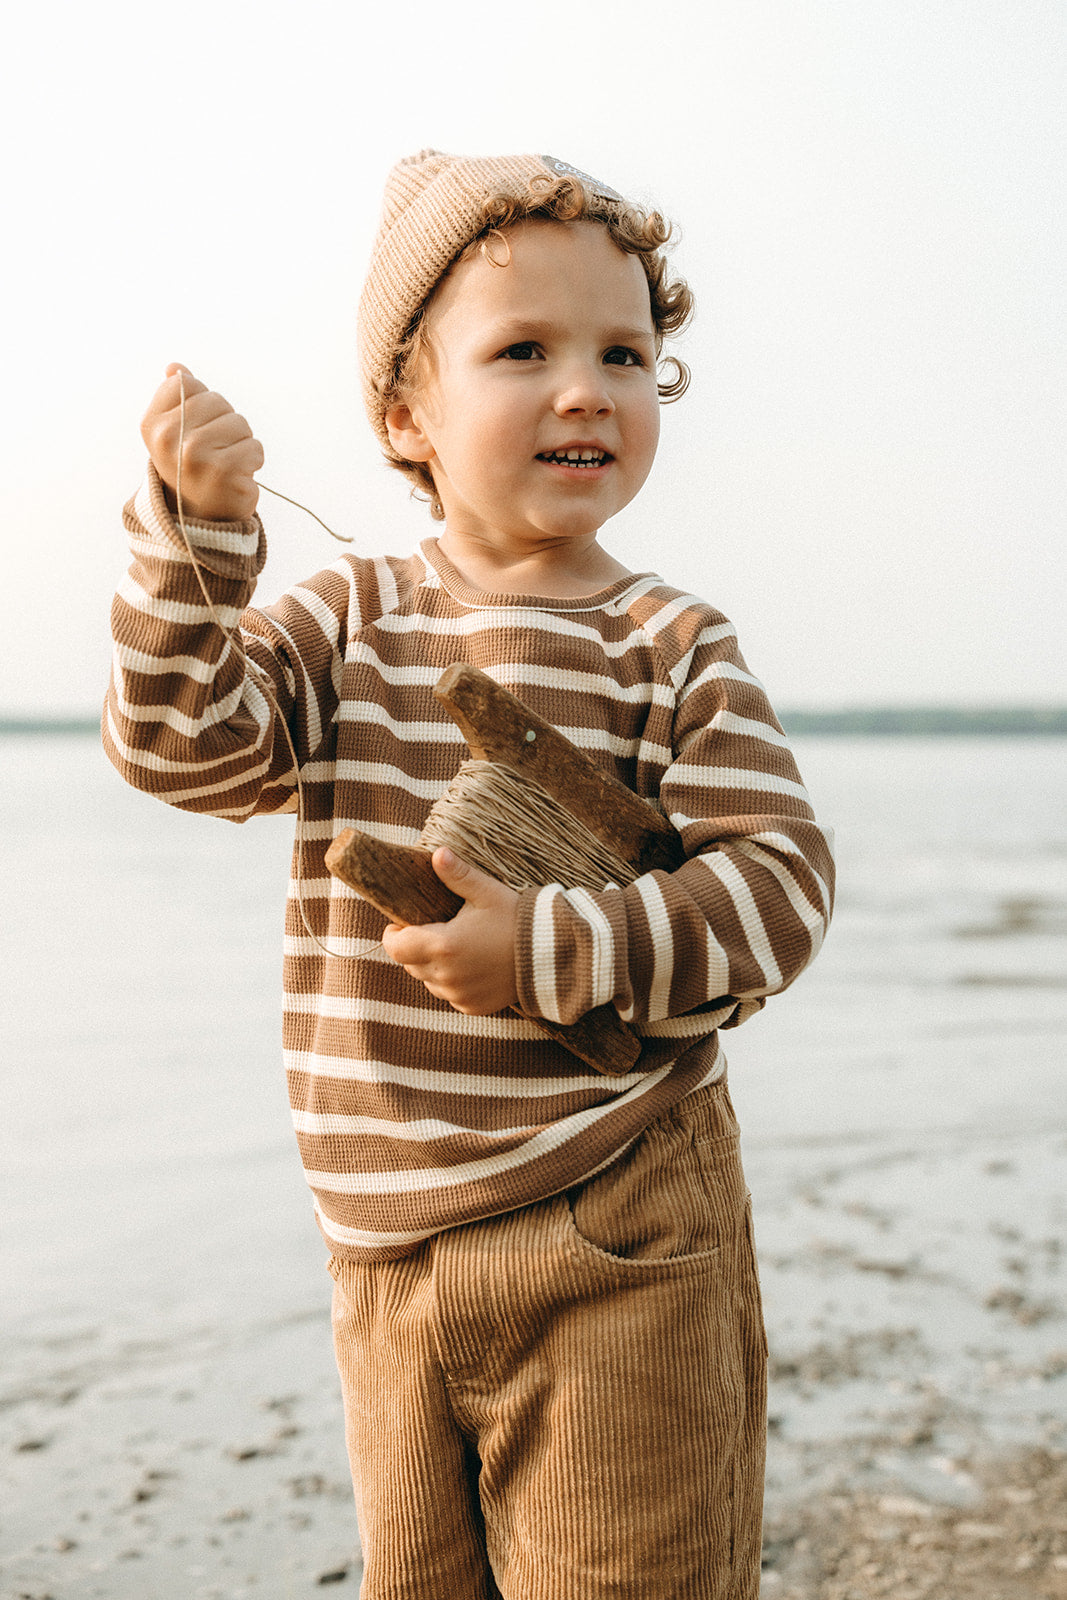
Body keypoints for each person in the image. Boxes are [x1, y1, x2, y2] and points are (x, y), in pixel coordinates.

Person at [104, 149, 834, 1599]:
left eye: (627, 353)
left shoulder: (668, 642)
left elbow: (782, 885)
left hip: (616, 1215)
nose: (588, 389)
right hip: (386, 1250)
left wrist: (558, 949)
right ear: (404, 413)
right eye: (526, 351)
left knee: (629, 1575)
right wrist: (197, 536)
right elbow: (183, 748)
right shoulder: (348, 618)